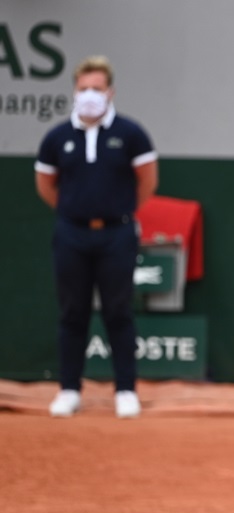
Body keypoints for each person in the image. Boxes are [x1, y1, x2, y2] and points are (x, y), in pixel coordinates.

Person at [34, 55, 158, 417]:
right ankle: (70, 390)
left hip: (117, 234)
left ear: (111, 92)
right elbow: (45, 184)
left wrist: (119, 210)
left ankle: (125, 391)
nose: (90, 95)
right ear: (74, 91)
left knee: (119, 312)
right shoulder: (57, 137)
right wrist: (74, 211)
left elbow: (148, 181)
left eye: (97, 89)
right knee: (73, 313)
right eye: (84, 88)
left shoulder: (130, 134)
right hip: (71, 234)